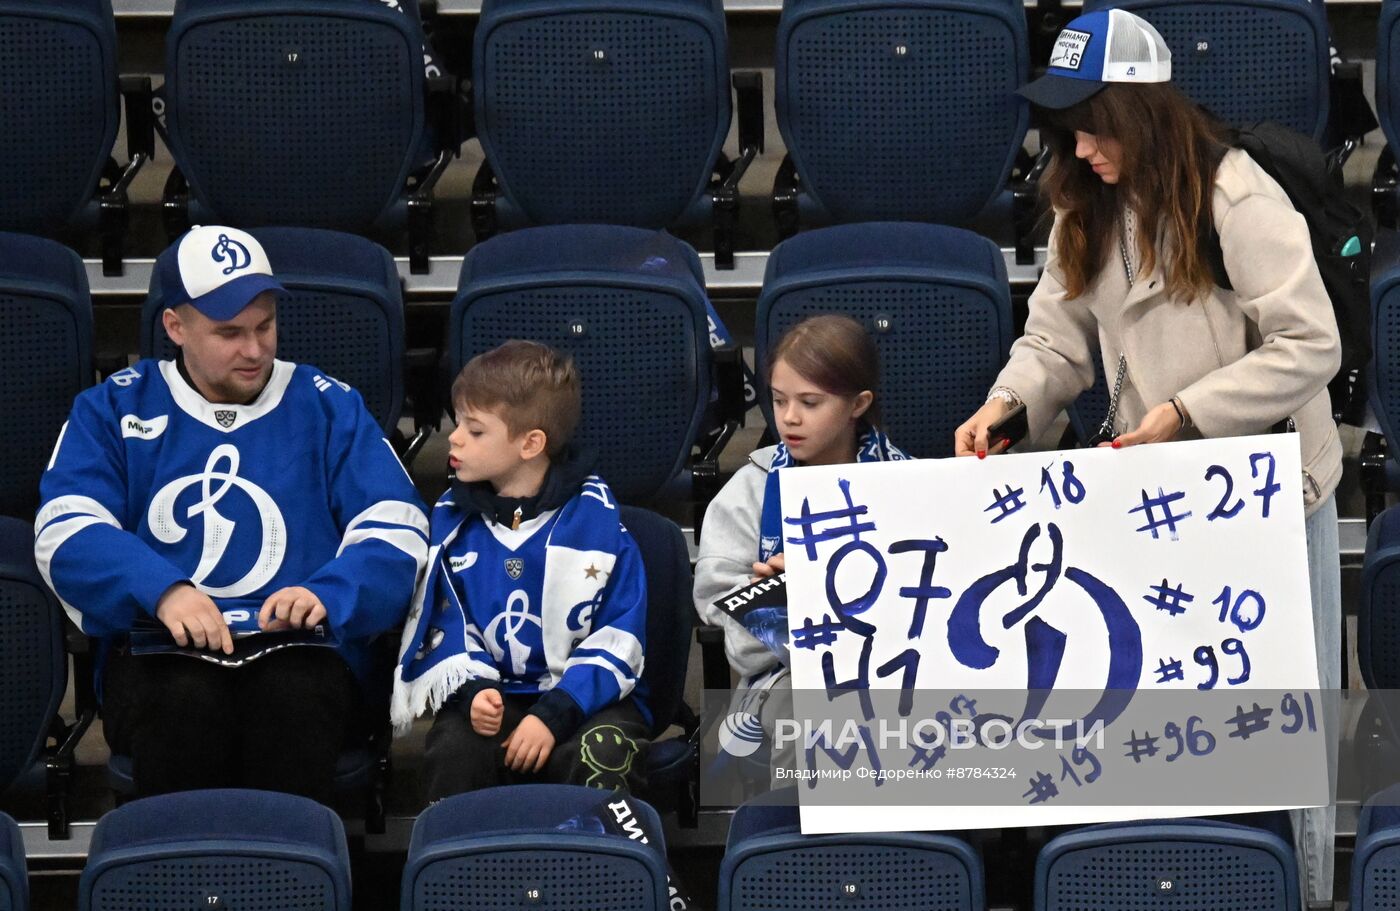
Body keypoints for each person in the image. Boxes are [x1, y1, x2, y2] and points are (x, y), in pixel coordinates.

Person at [953, 11, 1341, 906]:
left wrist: (1187, 412)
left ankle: (1299, 889)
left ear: (1143, 111)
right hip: (1158, 497)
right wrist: (1007, 405)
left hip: (1268, 496)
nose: (1081, 145)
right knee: (1171, 727)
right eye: (1068, 128)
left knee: (1282, 730)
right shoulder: (1081, 202)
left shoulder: (1235, 195)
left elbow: (1311, 344)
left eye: (1094, 124)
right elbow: (1055, 344)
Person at [34, 225, 429, 803]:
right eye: (229, 332)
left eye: (264, 326)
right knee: (185, 706)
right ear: (175, 326)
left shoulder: (327, 403)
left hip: (302, 650)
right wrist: (162, 590)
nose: (254, 349)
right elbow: (66, 528)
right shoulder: (113, 407)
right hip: (160, 652)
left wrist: (332, 591)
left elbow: (398, 523)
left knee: (293, 702)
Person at [393, 340, 650, 799]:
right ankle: (464, 871)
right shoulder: (451, 521)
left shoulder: (600, 526)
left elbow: (620, 639)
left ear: (531, 443)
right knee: (455, 749)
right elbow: (444, 620)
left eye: (474, 431)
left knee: (604, 751)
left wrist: (553, 714)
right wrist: (473, 692)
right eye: (458, 424)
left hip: (585, 700)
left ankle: (604, 868)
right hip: (496, 697)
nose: (452, 439)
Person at [694, 315, 909, 766]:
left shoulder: (908, 483)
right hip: (785, 676)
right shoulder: (751, 490)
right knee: (812, 705)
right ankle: (814, 837)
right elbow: (719, 601)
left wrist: (825, 581)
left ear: (858, 404)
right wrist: (783, 598)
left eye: (810, 402)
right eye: (778, 400)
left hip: (898, 666)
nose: (789, 417)